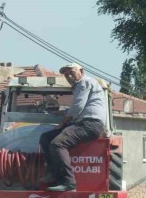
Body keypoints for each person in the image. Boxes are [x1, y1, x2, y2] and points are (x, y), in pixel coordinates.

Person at [39, 63, 107, 191]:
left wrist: (62, 123)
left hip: (90, 124)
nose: (69, 76)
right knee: (46, 138)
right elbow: (78, 108)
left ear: (81, 71)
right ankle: (53, 173)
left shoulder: (84, 83)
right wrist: (62, 113)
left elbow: (77, 108)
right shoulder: (78, 87)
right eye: (66, 74)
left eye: (71, 72)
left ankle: (69, 183)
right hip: (84, 123)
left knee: (57, 144)